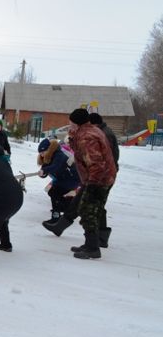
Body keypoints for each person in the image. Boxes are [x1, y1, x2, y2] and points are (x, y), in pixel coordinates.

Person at [63, 108, 117, 259]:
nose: (69, 124)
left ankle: (93, 248)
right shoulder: (89, 130)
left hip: (98, 179)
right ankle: (89, 244)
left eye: (71, 122)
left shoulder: (87, 137)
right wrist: (73, 135)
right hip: (101, 177)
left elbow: (96, 163)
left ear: (76, 122)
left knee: (88, 211)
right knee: (89, 210)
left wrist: (92, 185)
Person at [88, 112, 119, 247]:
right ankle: (100, 238)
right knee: (97, 205)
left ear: (94, 124)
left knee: (96, 205)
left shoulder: (104, 134)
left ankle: (100, 239)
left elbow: (106, 157)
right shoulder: (103, 132)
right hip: (105, 173)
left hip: (105, 174)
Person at [36, 138, 80, 225]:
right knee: (53, 193)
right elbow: (45, 168)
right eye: (40, 154)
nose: (42, 155)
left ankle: (57, 216)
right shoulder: (48, 157)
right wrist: (43, 174)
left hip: (72, 178)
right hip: (63, 179)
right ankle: (70, 207)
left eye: (43, 152)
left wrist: (45, 171)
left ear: (48, 149)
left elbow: (56, 166)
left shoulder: (59, 154)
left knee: (54, 192)